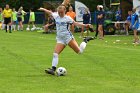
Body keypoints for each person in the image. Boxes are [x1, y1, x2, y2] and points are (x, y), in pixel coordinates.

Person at [38, 6, 94, 75]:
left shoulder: (68, 18)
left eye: (61, 12)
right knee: (55, 54)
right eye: (59, 12)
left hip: (68, 38)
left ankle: (85, 40)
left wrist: (86, 25)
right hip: (60, 39)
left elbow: (76, 24)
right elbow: (50, 12)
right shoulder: (56, 16)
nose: (60, 13)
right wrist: (43, 9)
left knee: (79, 52)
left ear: (64, 11)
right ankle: (53, 69)